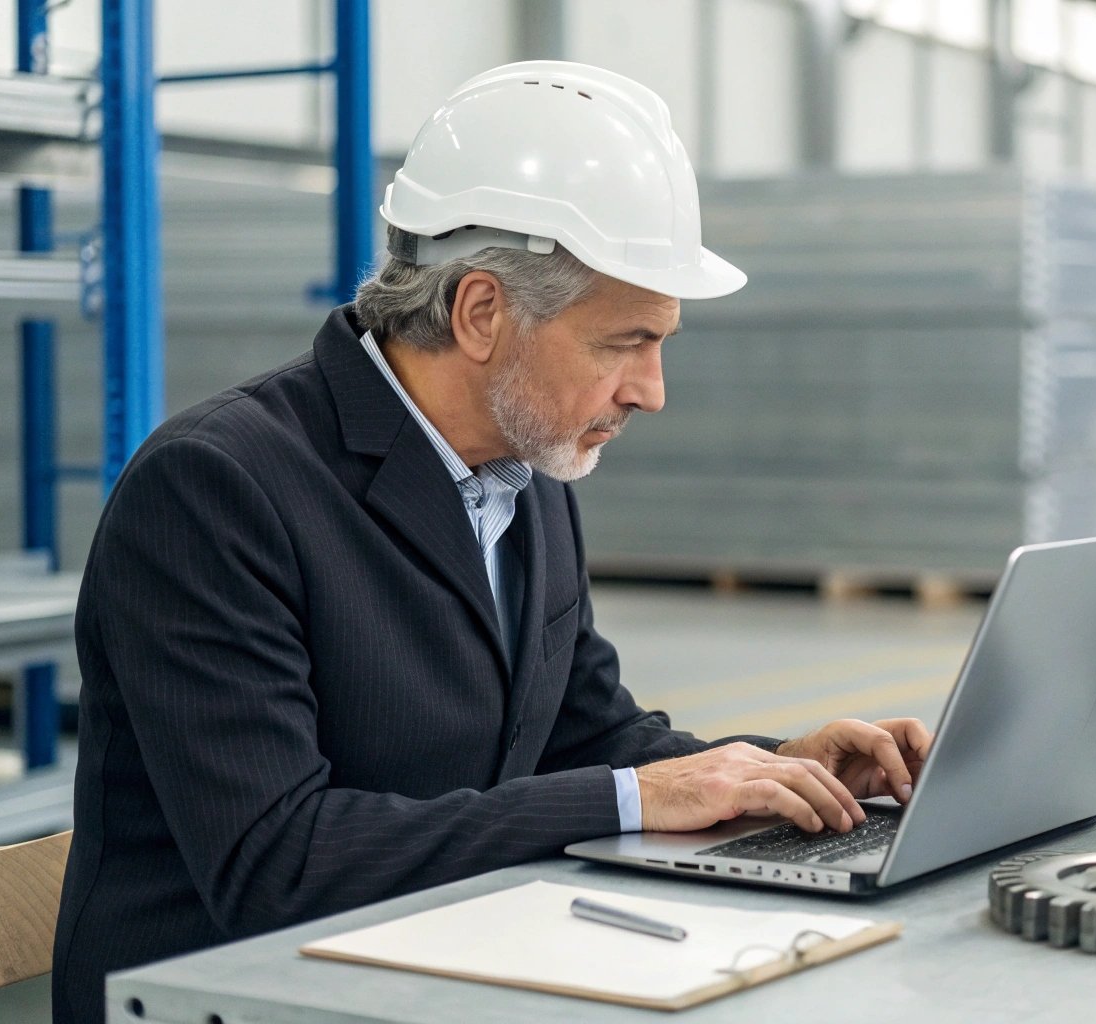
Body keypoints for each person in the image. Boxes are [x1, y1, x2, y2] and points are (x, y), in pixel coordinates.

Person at [52, 61, 932, 1023]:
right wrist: (638, 797)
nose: (651, 390)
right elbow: (279, 862)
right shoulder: (216, 491)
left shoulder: (525, 465)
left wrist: (771, 770)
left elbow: (587, 738)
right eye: (622, 342)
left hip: (428, 962)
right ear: (481, 313)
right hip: (230, 994)